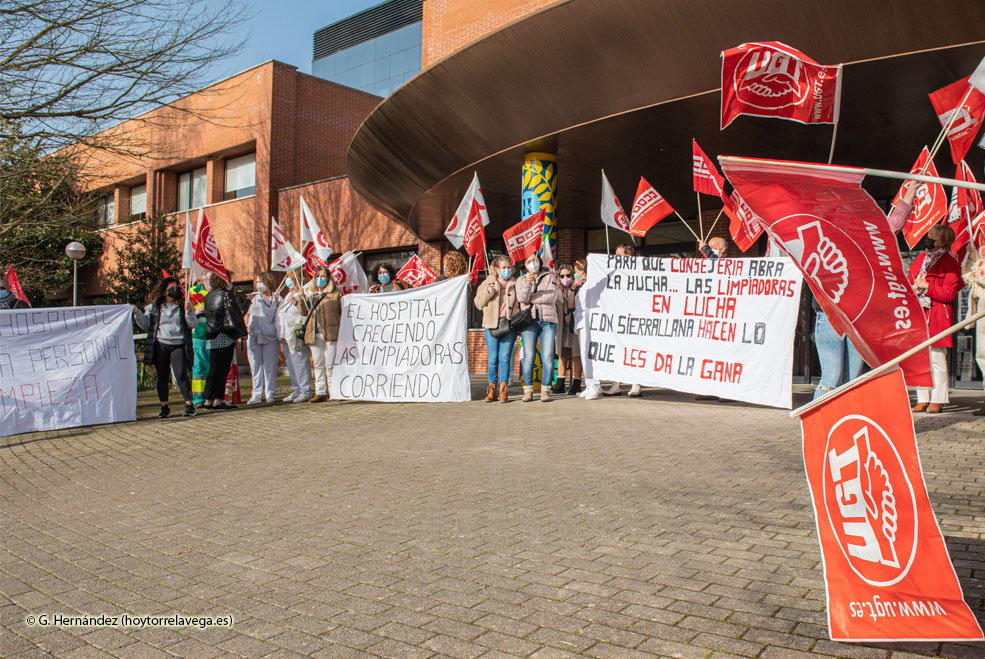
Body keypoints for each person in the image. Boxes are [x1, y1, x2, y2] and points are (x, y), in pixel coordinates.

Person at [908, 225, 964, 414]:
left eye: (933, 235)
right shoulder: (921, 258)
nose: (929, 237)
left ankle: (938, 398)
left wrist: (927, 286)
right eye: (929, 234)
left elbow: (949, 294)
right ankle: (922, 398)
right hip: (918, 313)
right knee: (919, 358)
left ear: (943, 240)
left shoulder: (949, 263)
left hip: (937, 314)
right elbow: (910, 279)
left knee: (936, 359)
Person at [132, 277, 197, 418]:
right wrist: (137, 313)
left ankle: (189, 404)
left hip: (178, 344)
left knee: (181, 375)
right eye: (170, 288)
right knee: (162, 376)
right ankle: (164, 407)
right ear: (164, 291)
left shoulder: (183, 305)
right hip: (161, 344)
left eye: (176, 287)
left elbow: (192, 324)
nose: (174, 291)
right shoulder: (154, 307)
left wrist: (190, 312)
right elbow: (145, 324)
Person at [474, 255, 518, 402]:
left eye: (508, 267)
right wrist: (489, 292)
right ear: (497, 269)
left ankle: (503, 390)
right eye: (503, 268)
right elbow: (478, 304)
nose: (506, 270)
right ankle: (492, 389)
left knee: (505, 358)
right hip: (491, 325)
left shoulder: (515, 283)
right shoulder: (488, 282)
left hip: (509, 325)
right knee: (493, 358)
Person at [516, 252, 559, 402]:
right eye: (529, 261)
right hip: (530, 321)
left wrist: (531, 298)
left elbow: (551, 296)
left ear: (539, 262)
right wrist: (528, 285)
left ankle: (545, 389)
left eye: (534, 260)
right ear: (525, 265)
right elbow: (521, 298)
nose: (532, 263)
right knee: (528, 357)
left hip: (548, 320)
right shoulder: (521, 280)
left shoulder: (549, 276)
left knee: (547, 356)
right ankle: (528, 390)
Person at [203, 273, 246, 411]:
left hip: (212, 335)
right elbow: (234, 314)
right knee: (222, 369)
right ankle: (219, 400)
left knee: (213, 368)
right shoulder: (226, 295)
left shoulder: (208, 296)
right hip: (225, 335)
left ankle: (208, 399)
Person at [605, 245, 642, 397]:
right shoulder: (614, 272)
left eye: (620, 255)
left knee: (634, 350)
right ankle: (616, 384)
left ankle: (636, 383)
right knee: (617, 348)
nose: (617, 258)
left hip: (635, 315)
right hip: (618, 315)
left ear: (629, 255)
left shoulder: (640, 269)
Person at [811, 297, 864, 400]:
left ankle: (843, 415)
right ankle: (820, 415)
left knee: (852, 381)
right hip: (830, 311)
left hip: (858, 314)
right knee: (831, 378)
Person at [303, 265, 343, 402]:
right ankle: (320, 391)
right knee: (318, 364)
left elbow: (342, 313)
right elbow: (303, 312)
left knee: (330, 363)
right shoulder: (310, 294)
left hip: (331, 333)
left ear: (328, 278)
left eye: (323, 276)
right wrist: (301, 299)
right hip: (314, 333)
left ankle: (334, 391)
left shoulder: (336, 294)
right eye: (318, 276)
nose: (320, 279)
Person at [245, 272, 280, 404]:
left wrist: (277, 302)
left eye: (262, 281)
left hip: (270, 336)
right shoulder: (254, 298)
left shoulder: (275, 298)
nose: (259, 284)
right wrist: (248, 327)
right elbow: (247, 314)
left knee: (270, 366)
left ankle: (269, 393)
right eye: (257, 281)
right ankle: (256, 394)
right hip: (255, 335)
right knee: (256, 366)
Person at [278, 271, 313, 403]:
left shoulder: (304, 290)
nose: (288, 280)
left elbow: (306, 309)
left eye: (290, 278)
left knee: (300, 361)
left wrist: (296, 303)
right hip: (286, 333)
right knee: (291, 363)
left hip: (296, 332)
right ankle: (297, 389)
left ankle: (305, 390)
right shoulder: (289, 293)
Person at [552, 263, 582, 395]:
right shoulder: (556, 290)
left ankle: (576, 383)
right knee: (561, 353)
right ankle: (560, 383)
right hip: (561, 326)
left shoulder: (578, 288)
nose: (565, 278)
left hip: (573, 324)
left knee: (576, 354)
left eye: (568, 275)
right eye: (562, 275)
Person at [962, 241, 985, 416]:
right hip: (981, 309)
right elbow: (969, 276)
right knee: (982, 354)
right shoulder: (979, 249)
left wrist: (978, 261)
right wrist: (971, 259)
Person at [188, 273, 210, 406]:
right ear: (203, 280)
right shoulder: (193, 292)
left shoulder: (217, 292)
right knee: (199, 368)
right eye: (209, 279)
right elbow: (187, 312)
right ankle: (198, 398)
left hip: (215, 334)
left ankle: (210, 396)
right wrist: (196, 312)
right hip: (199, 334)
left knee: (212, 367)